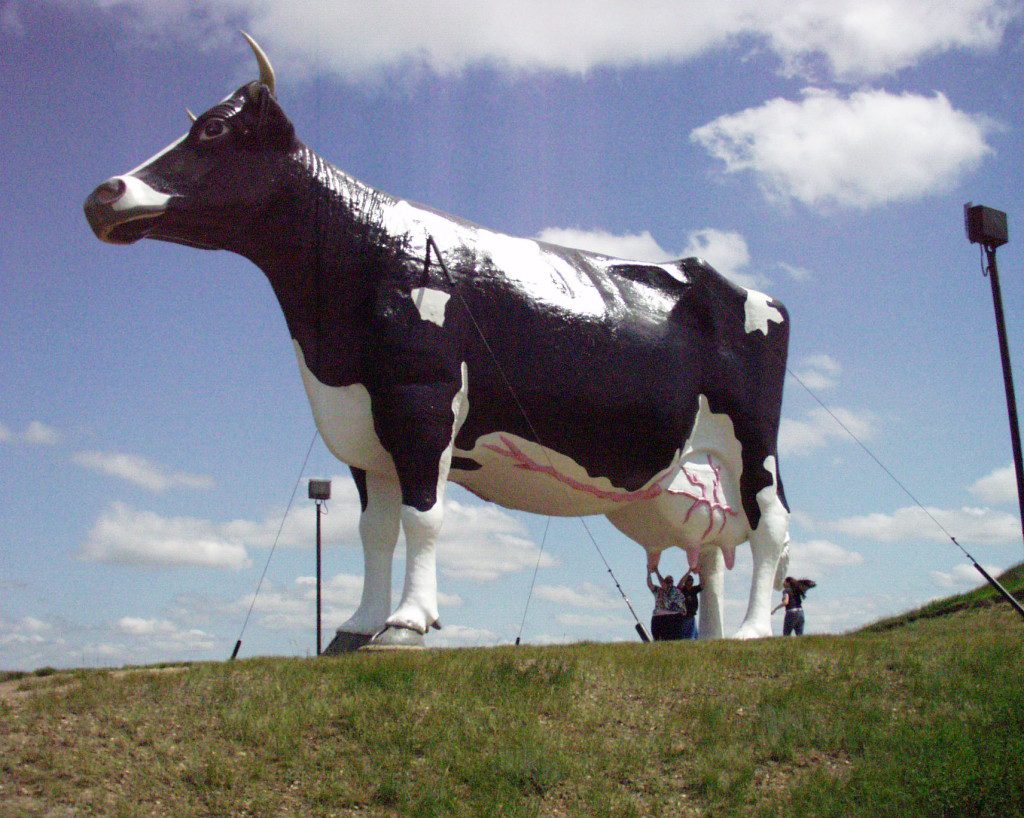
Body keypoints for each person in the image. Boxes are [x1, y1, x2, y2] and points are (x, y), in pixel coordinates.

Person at [646, 569, 685, 640]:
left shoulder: (674, 591)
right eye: (667, 581)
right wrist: (648, 572)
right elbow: (649, 584)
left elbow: (664, 586)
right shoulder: (658, 590)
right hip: (658, 616)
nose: (669, 583)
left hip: (671, 617)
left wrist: (657, 572)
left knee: (670, 638)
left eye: (670, 582)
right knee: (657, 638)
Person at [678, 570, 703, 640]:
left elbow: (702, 585)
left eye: (692, 580)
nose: (691, 581)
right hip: (684, 617)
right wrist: (689, 571)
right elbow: (679, 584)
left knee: (695, 637)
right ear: (685, 582)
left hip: (692, 616)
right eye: (689, 580)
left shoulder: (694, 589)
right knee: (686, 637)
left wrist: (699, 573)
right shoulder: (683, 590)